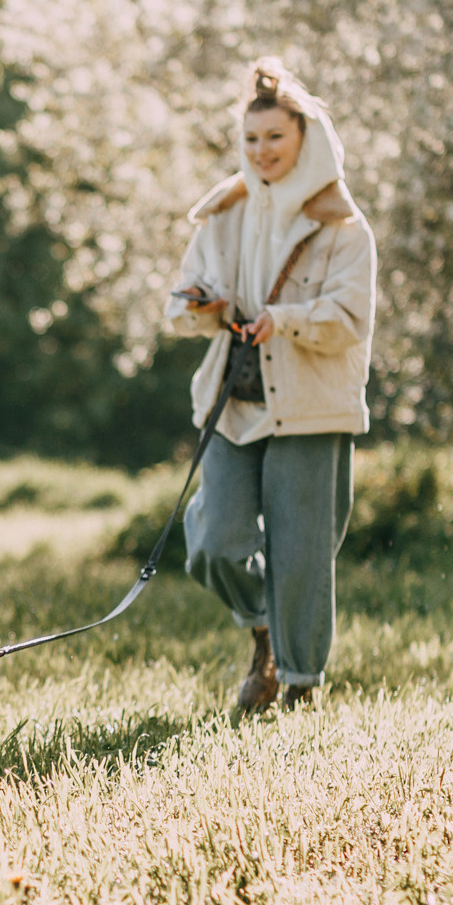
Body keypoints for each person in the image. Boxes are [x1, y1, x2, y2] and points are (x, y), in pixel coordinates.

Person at [165, 58, 377, 713]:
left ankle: (300, 685)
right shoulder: (222, 213)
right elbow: (179, 305)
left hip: (312, 407)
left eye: (275, 137)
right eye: (252, 138)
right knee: (214, 543)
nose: (262, 150)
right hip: (233, 402)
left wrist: (283, 320)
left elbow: (349, 320)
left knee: (302, 554)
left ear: (305, 138)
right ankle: (266, 632)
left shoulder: (343, 226)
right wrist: (203, 306)